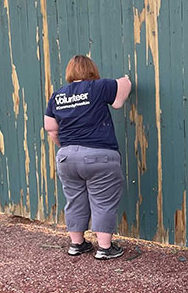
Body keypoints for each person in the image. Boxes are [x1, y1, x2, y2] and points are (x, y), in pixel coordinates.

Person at [43, 55, 132, 259]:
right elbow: (122, 90)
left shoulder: (58, 96)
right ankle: (104, 248)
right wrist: (127, 79)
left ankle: (77, 244)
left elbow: (51, 129)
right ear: (91, 70)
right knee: (103, 201)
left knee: (74, 200)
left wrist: (67, 147)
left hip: (66, 157)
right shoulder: (98, 87)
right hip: (99, 155)